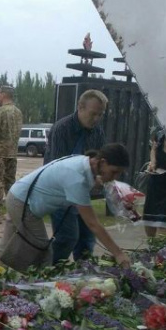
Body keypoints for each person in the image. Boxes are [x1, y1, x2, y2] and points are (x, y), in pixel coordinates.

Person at [0, 144, 132, 272]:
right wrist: (118, 254)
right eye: (114, 172)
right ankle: (39, 289)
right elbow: (93, 224)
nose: (115, 177)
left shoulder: (82, 163)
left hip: (19, 194)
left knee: (6, 252)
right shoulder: (77, 178)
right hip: (22, 202)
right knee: (42, 254)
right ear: (102, 162)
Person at [44, 89, 108, 263]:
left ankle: (82, 273)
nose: (96, 119)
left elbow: (98, 161)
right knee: (67, 237)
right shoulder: (61, 129)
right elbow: (58, 167)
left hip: (81, 191)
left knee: (87, 238)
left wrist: (99, 177)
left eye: (100, 115)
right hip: (59, 192)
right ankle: (51, 271)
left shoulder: (97, 132)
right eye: (93, 114)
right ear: (80, 107)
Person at [0, 85, 23, 221]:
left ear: (3, 95)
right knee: (10, 184)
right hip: (12, 153)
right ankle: (13, 212)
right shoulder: (18, 112)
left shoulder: (0, 111)